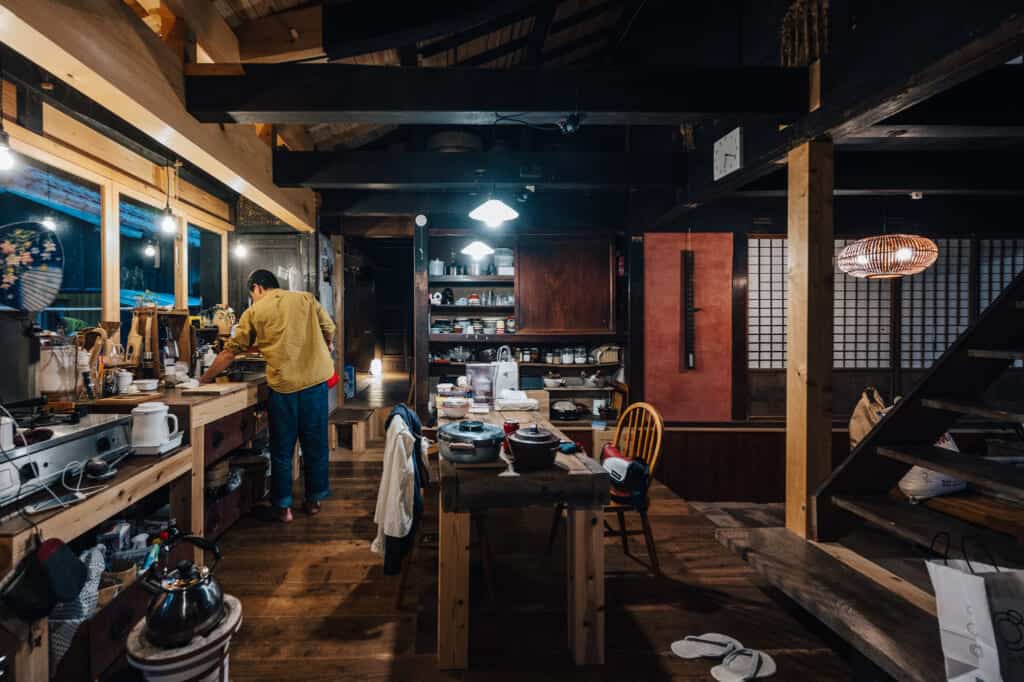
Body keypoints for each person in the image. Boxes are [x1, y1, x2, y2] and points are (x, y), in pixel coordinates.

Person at [201, 269, 336, 523]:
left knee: (282, 449)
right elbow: (329, 329)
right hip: (315, 383)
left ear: (258, 288)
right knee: (315, 445)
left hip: (283, 386)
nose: (253, 299)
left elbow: (230, 352)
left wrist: (204, 379)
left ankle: (284, 508)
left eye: (252, 294)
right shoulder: (306, 299)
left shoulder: (254, 312)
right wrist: (326, 343)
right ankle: (314, 500)